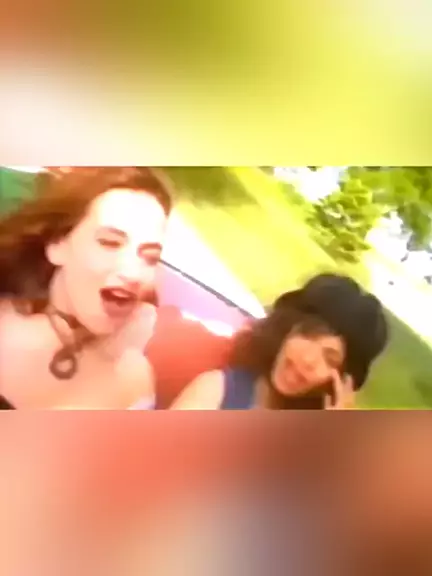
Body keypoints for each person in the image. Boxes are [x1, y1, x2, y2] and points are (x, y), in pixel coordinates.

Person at [0, 166, 173, 409]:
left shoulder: (134, 380)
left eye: (150, 257)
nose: (133, 273)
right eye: (110, 243)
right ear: (57, 246)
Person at [171, 273, 389, 410]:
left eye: (330, 359)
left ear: (340, 383)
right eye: (308, 335)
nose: (308, 359)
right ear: (287, 327)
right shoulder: (217, 390)